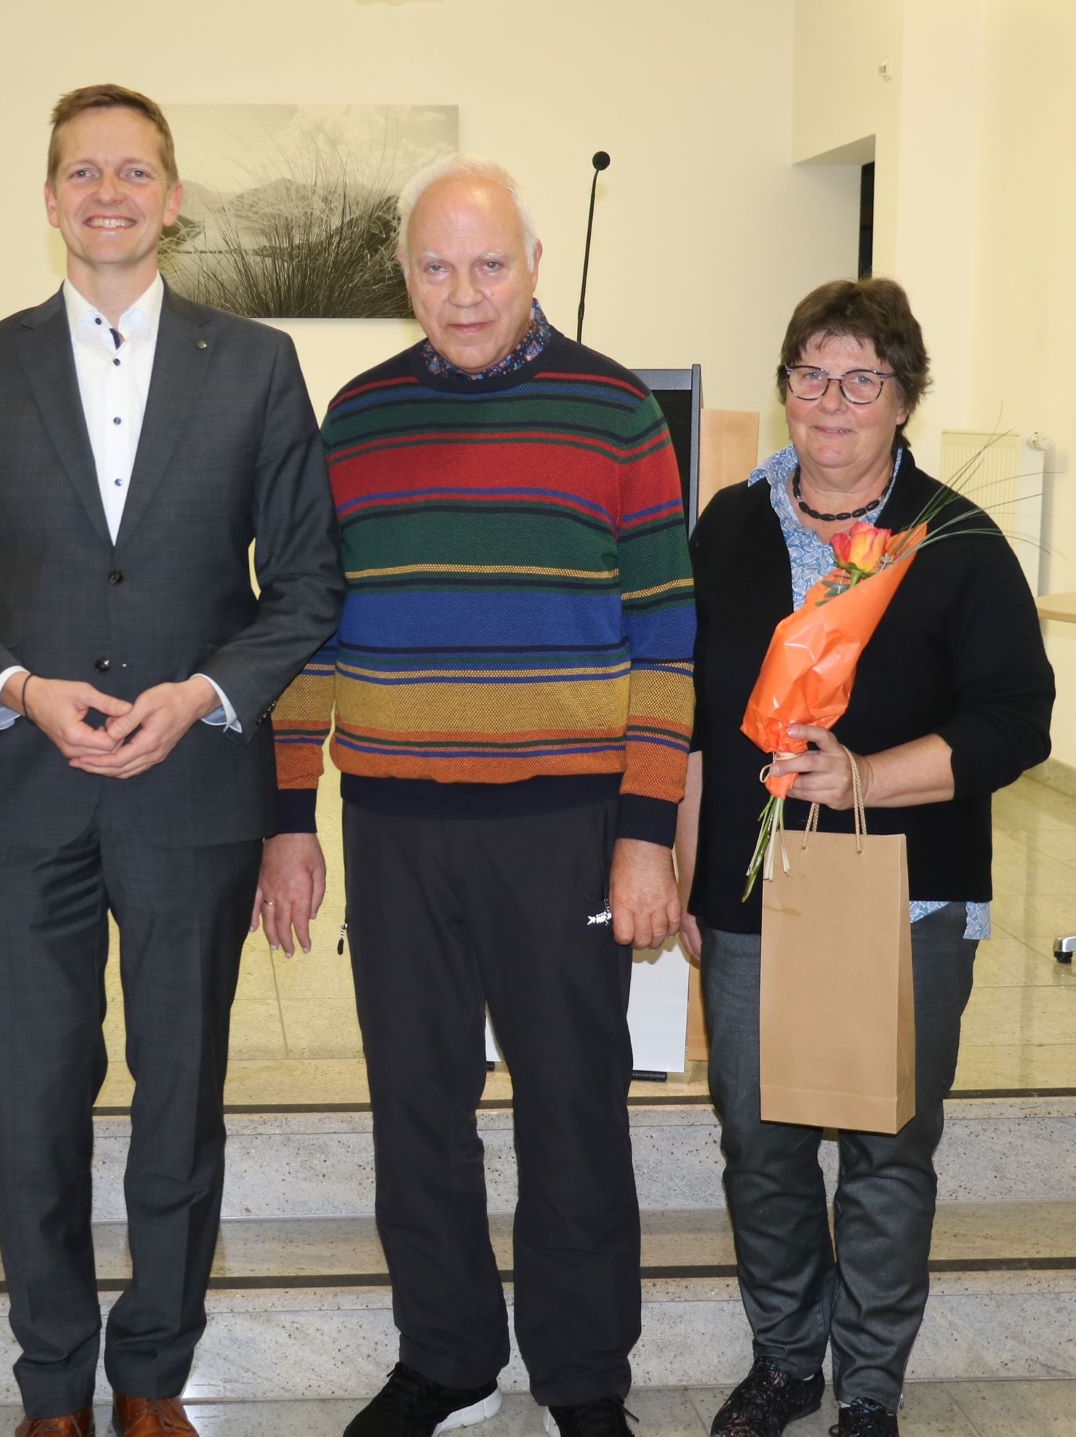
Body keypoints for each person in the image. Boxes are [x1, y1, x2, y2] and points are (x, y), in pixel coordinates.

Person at [0, 83, 344, 1437]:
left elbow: (306, 584)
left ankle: (151, 1374)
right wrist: (20, 689)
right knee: (31, 1096)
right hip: (24, 791)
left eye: (133, 171)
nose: (108, 193)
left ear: (173, 198)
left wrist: (204, 694)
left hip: (192, 789)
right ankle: (52, 1385)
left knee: (180, 1097)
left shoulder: (255, 364)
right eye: (82, 172)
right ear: (49, 199)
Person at [263, 156, 696, 1437]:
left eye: (489, 265)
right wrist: (288, 819)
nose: (464, 293)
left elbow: (666, 641)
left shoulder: (616, 413)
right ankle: (445, 1355)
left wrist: (644, 838)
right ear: (405, 276)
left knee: (573, 1106)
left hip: (563, 826)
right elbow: (307, 633)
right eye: (437, 268)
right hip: (395, 826)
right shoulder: (354, 420)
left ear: (533, 266)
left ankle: (583, 1376)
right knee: (415, 1105)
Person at [678, 278, 1053, 1437]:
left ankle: (871, 1387)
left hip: (907, 894)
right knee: (761, 1145)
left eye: (860, 380)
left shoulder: (955, 540)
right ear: (784, 388)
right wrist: (689, 873)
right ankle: (786, 1361)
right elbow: (691, 717)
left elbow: (1015, 722)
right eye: (810, 376)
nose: (830, 402)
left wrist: (866, 778)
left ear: (902, 400)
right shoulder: (728, 527)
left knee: (886, 1146)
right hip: (752, 892)